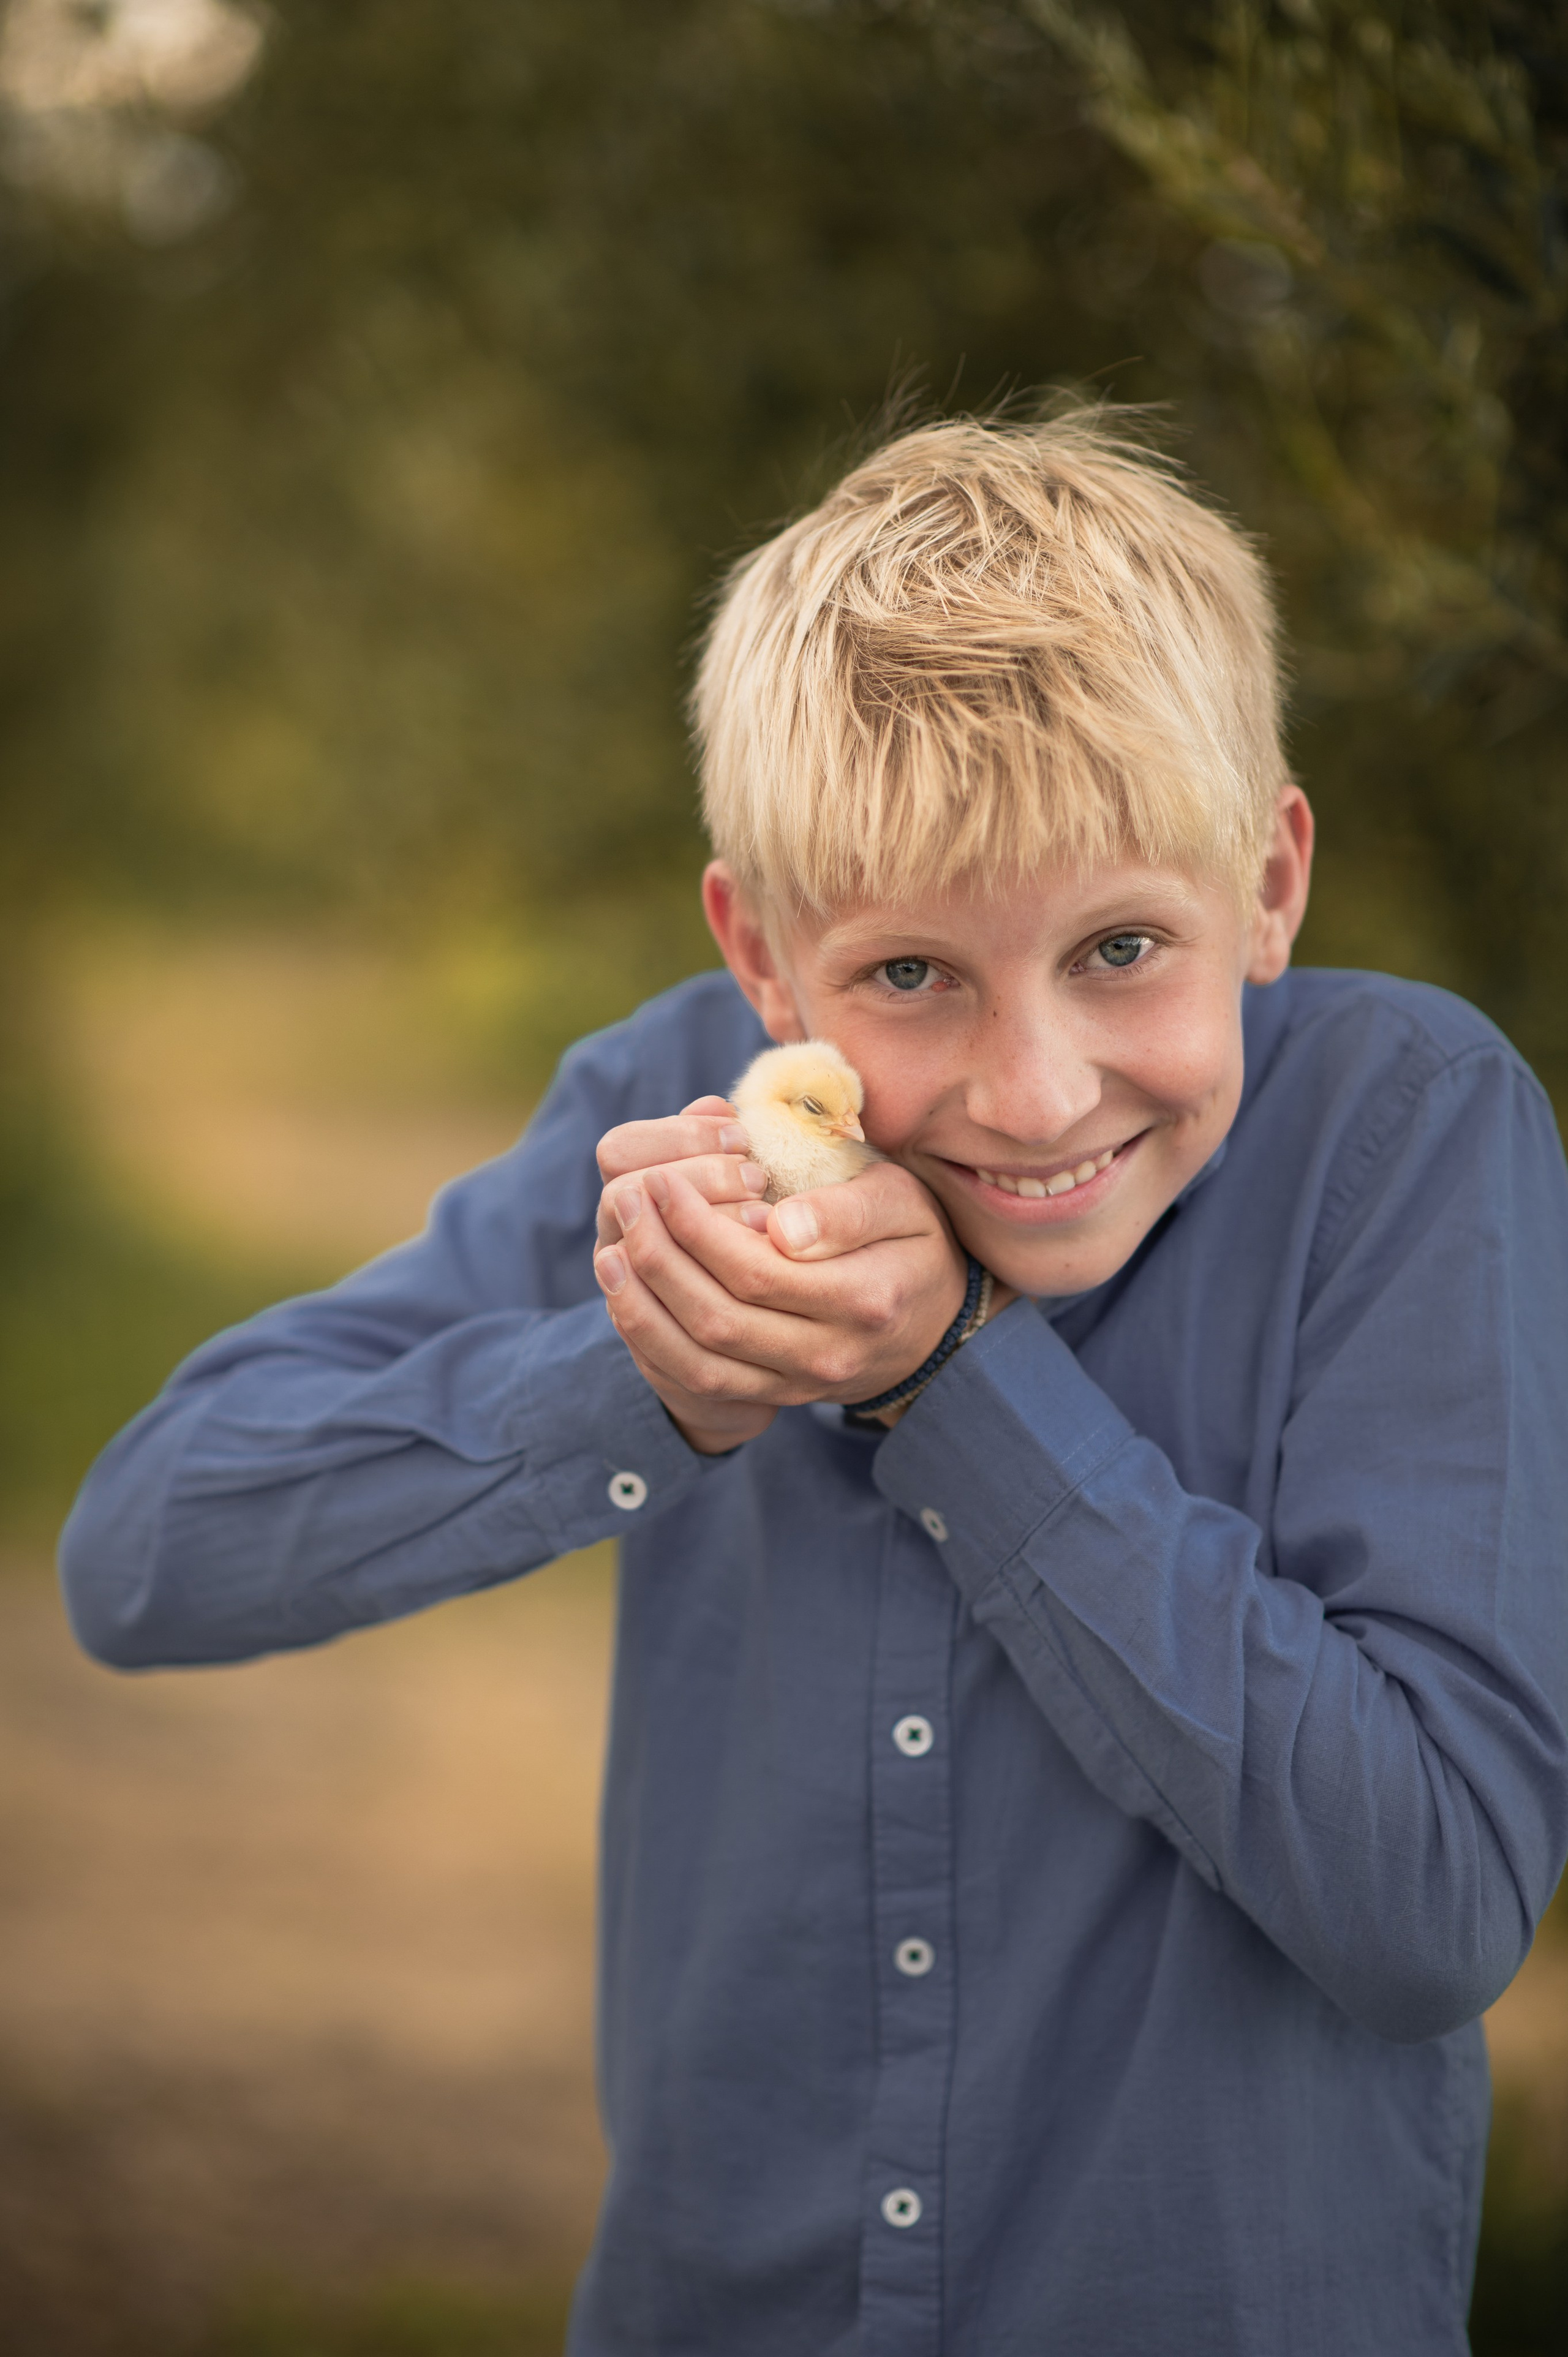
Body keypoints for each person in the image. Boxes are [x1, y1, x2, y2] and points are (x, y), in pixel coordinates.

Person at [59, 413, 1568, 2356]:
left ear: (1267, 883)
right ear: (761, 956)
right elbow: (148, 1548)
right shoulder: (660, 1117)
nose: (1034, 1095)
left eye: (1122, 948)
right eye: (912, 977)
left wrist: (957, 1378)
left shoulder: (1409, 1131)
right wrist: (649, 1378)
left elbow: (1435, 1904)